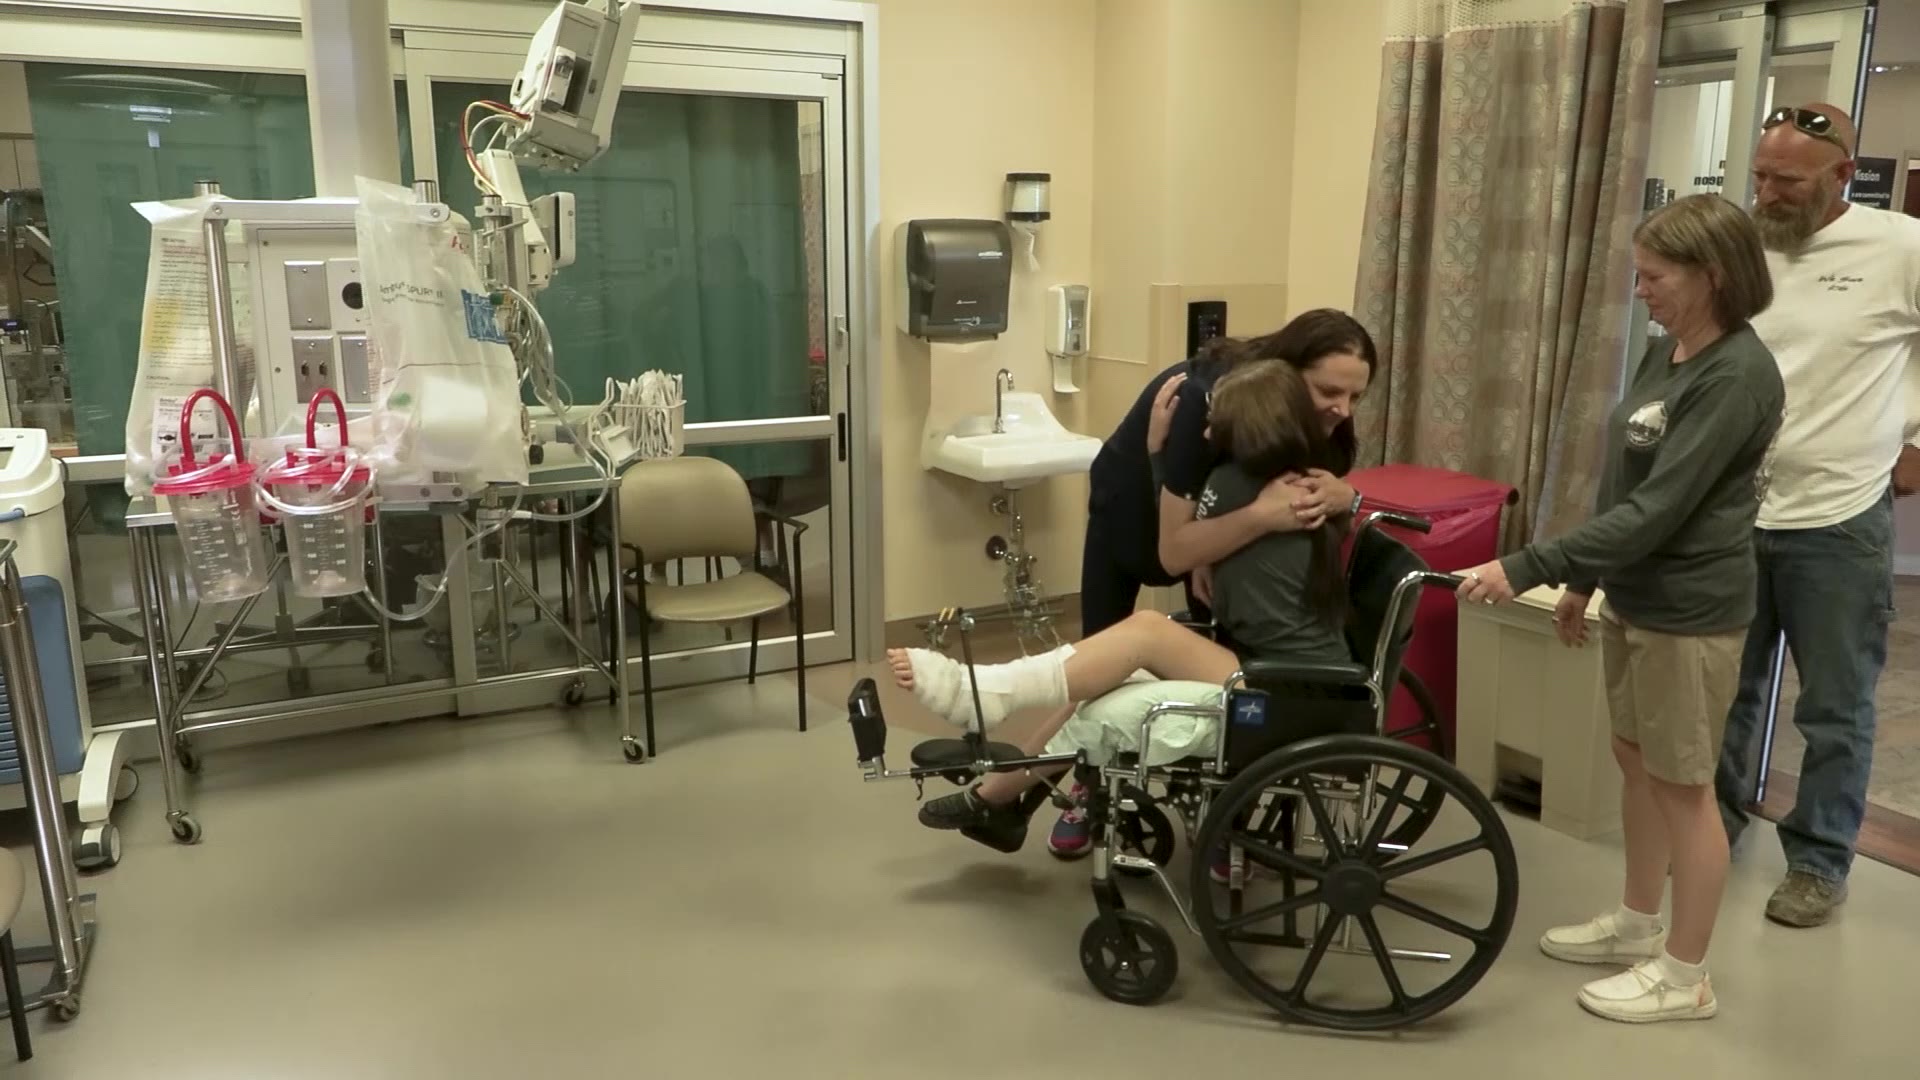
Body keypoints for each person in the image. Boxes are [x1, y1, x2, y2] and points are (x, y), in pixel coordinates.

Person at [1457, 194, 1783, 1024]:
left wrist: (1528, 563)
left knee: (1685, 788)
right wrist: (1582, 583)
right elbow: (1621, 483)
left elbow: (1662, 510)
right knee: (1640, 767)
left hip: (1692, 611)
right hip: (1635, 596)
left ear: (1712, 275)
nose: (1640, 290)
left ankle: (1686, 976)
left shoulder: (1738, 375)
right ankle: (1640, 926)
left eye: (1654, 275)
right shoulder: (1667, 350)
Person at [889, 358, 1352, 855]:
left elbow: (1172, 535)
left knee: (1146, 630)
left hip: (1289, 686)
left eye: (1217, 423)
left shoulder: (1248, 489)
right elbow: (1188, 527)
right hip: (1284, 670)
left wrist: (1159, 457)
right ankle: (999, 786)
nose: (1206, 432)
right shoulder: (1294, 487)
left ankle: (987, 695)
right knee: (1109, 663)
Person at [1052, 309, 1376, 856]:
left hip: (1221, 545)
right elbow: (1174, 550)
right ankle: (1087, 789)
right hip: (1130, 509)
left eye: (1357, 398)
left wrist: (1350, 495)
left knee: (1167, 644)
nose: (1342, 411)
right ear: (1287, 371)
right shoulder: (1204, 404)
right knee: (1104, 652)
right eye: (1328, 391)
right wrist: (1233, 518)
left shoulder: (1310, 429)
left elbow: (1263, 517)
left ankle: (1217, 815)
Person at [1710, 103, 1920, 929]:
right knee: (1727, 689)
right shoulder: (1743, 246)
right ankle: (1715, 827)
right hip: (1736, 511)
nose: (1766, 192)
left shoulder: (1900, 245)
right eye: (1760, 175)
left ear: (1842, 175)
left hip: (1839, 517)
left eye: (1786, 181)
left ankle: (1819, 859)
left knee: (1835, 704)